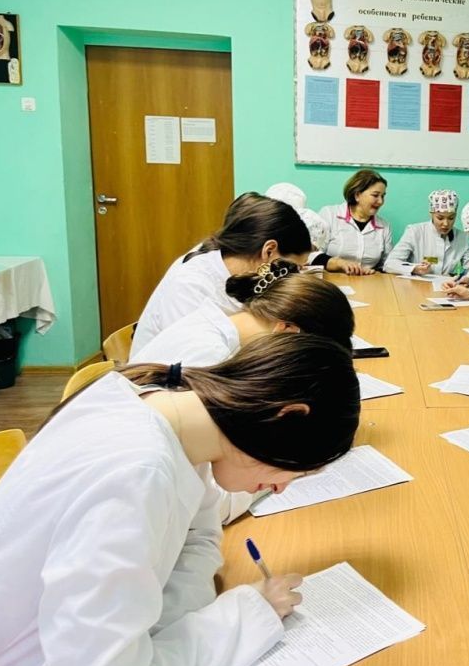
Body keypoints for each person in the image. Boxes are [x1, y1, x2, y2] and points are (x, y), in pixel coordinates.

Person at [0, 333, 360, 666]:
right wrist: (248, 616)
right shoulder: (135, 472)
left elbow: (199, 536)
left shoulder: (172, 411)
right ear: (287, 416)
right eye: (295, 470)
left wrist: (176, 628)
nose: (279, 487)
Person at [130, 261, 355, 523]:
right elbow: (206, 505)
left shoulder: (222, 331)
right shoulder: (210, 356)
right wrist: (293, 464)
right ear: (287, 331)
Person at [131, 193, 313, 356]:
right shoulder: (189, 286)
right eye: (293, 268)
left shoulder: (230, 261)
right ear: (269, 251)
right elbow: (197, 365)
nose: (293, 277)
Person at [314, 169, 393, 275]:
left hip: (368, 282)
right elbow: (311, 255)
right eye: (375, 195)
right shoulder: (329, 214)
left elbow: (387, 265)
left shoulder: (384, 226)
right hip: (330, 280)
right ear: (357, 195)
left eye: (383, 196)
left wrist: (374, 272)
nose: (380, 201)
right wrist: (339, 263)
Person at [384, 189, 469, 277]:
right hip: (417, 284)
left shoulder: (463, 238)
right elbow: (390, 264)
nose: (446, 224)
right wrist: (415, 269)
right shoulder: (414, 232)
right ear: (431, 214)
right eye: (440, 218)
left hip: (445, 285)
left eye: (451, 218)